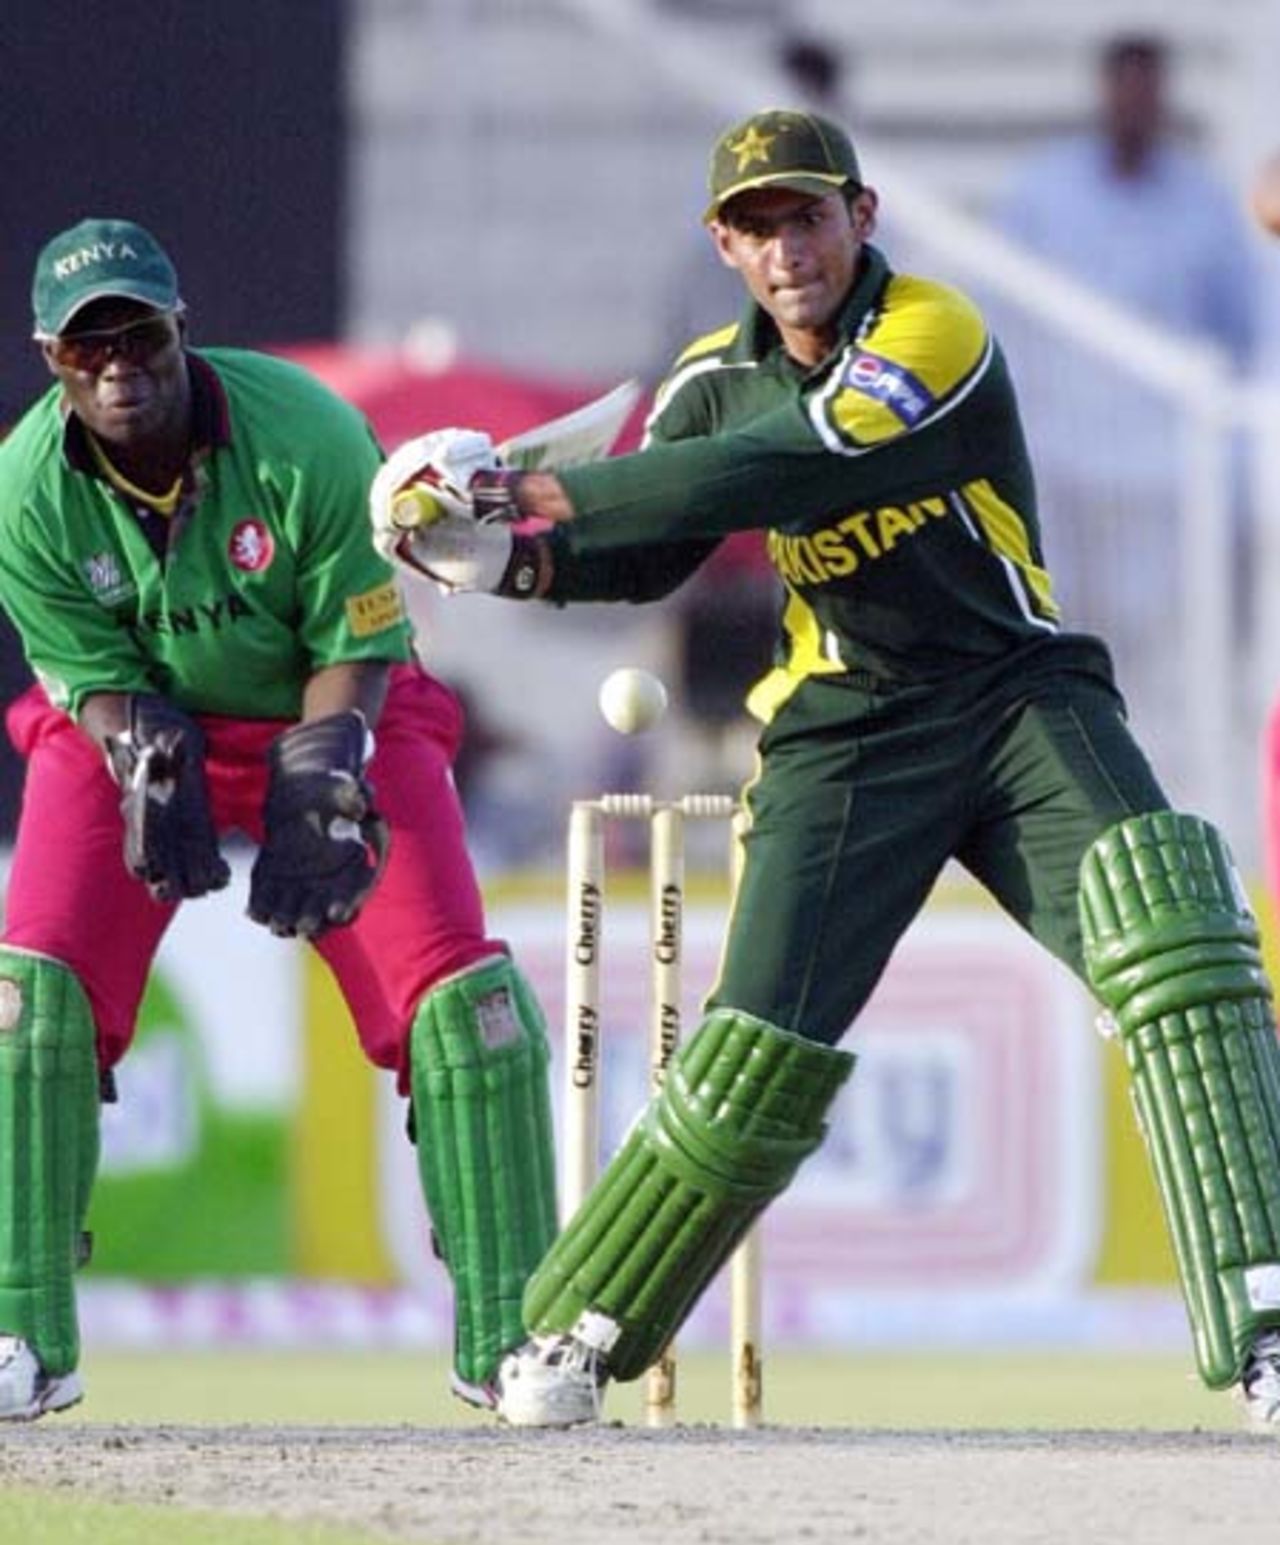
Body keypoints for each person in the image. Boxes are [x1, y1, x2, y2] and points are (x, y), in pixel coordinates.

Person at [371, 107, 1280, 1432]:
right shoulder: (705, 381)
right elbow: (648, 549)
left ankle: (1267, 1327)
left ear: (861, 216)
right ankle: (577, 1333)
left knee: (1179, 943)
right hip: (844, 737)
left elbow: (783, 463)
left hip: (1018, 697)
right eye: (756, 227)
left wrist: (526, 490)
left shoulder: (932, 331)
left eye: (806, 217)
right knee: (754, 1051)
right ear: (722, 245)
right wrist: (489, 557)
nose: (785, 249)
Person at [0, 218, 558, 1423]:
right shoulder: (24, 486)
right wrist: (141, 752)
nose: (118, 365)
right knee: (24, 1006)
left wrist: (324, 764)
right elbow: (83, 674)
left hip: (333, 703)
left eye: (138, 334)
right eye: (87, 346)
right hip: (136, 726)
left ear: (179, 328)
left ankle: (511, 1335)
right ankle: (19, 1331)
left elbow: (359, 635)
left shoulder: (304, 430)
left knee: (464, 1009)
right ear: (51, 357)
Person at [988, 34, 1261, 771]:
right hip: (1063, 454)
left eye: (1149, 91)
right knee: (1065, 621)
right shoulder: (1046, 192)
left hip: (1166, 463)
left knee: (1162, 633)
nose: (1136, 105)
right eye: (1125, 89)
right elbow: (1006, 310)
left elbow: (1239, 328)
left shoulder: (1202, 202)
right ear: (1105, 93)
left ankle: (1168, 754)